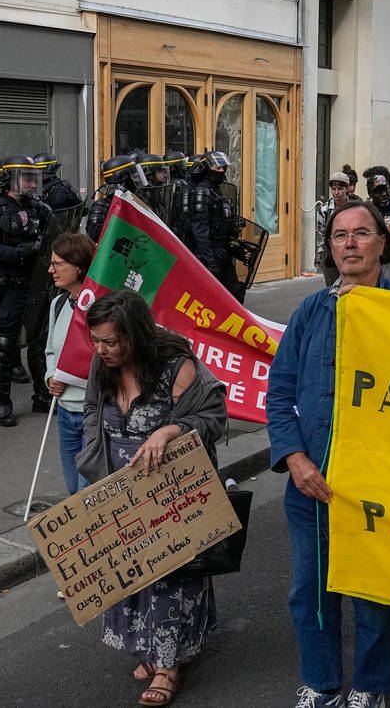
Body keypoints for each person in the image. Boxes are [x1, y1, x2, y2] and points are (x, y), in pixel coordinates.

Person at [267, 201, 390, 708]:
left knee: (372, 591)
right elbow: (279, 392)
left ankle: (370, 687)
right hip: (312, 481)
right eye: (339, 235)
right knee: (311, 591)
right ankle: (322, 681)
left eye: (361, 233)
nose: (349, 243)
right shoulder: (311, 310)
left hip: (378, 483)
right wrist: (293, 458)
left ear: (381, 244)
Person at [81, 291, 227, 708]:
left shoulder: (177, 368)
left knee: (170, 577)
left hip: (172, 496)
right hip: (121, 491)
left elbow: (214, 418)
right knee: (133, 574)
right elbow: (93, 409)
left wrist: (168, 432)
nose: (102, 350)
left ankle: (168, 666)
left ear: (136, 335)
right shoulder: (101, 365)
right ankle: (147, 647)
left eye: (111, 342)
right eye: (97, 341)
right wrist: (97, 451)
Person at [0, 155, 53, 427]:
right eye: (26, 177)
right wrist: (25, 252)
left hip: (37, 283)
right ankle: (2, 402)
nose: (32, 182)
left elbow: (54, 234)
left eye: (34, 177)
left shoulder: (39, 207)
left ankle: (41, 396)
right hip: (9, 285)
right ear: (8, 179)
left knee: (40, 342)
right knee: (5, 343)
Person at [44, 232, 95, 494]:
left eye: (58, 264)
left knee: (88, 493)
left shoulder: (101, 307)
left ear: (79, 266)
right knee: (73, 491)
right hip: (64, 411)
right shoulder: (58, 304)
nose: (51, 270)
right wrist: (51, 376)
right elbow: (50, 350)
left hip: (94, 412)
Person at [182, 151, 247, 302]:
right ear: (206, 168)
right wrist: (210, 261)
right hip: (210, 252)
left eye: (223, 167)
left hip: (222, 249)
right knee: (209, 299)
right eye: (217, 168)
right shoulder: (201, 192)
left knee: (235, 294)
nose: (222, 171)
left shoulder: (216, 191)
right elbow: (200, 230)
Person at [86, 154, 144, 242]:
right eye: (134, 176)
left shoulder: (139, 202)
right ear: (122, 177)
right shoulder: (102, 204)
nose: (137, 180)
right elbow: (93, 234)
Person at [317, 172, 352, 286]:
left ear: (347, 189)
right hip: (330, 254)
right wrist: (321, 257)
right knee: (332, 288)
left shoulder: (354, 207)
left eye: (340, 189)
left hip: (349, 250)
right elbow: (320, 233)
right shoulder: (325, 209)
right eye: (333, 189)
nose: (336, 193)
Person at [33, 152, 84, 218]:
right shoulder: (65, 188)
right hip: (64, 228)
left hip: (40, 227)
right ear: (54, 169)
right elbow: (83, 210)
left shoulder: (30, 190)